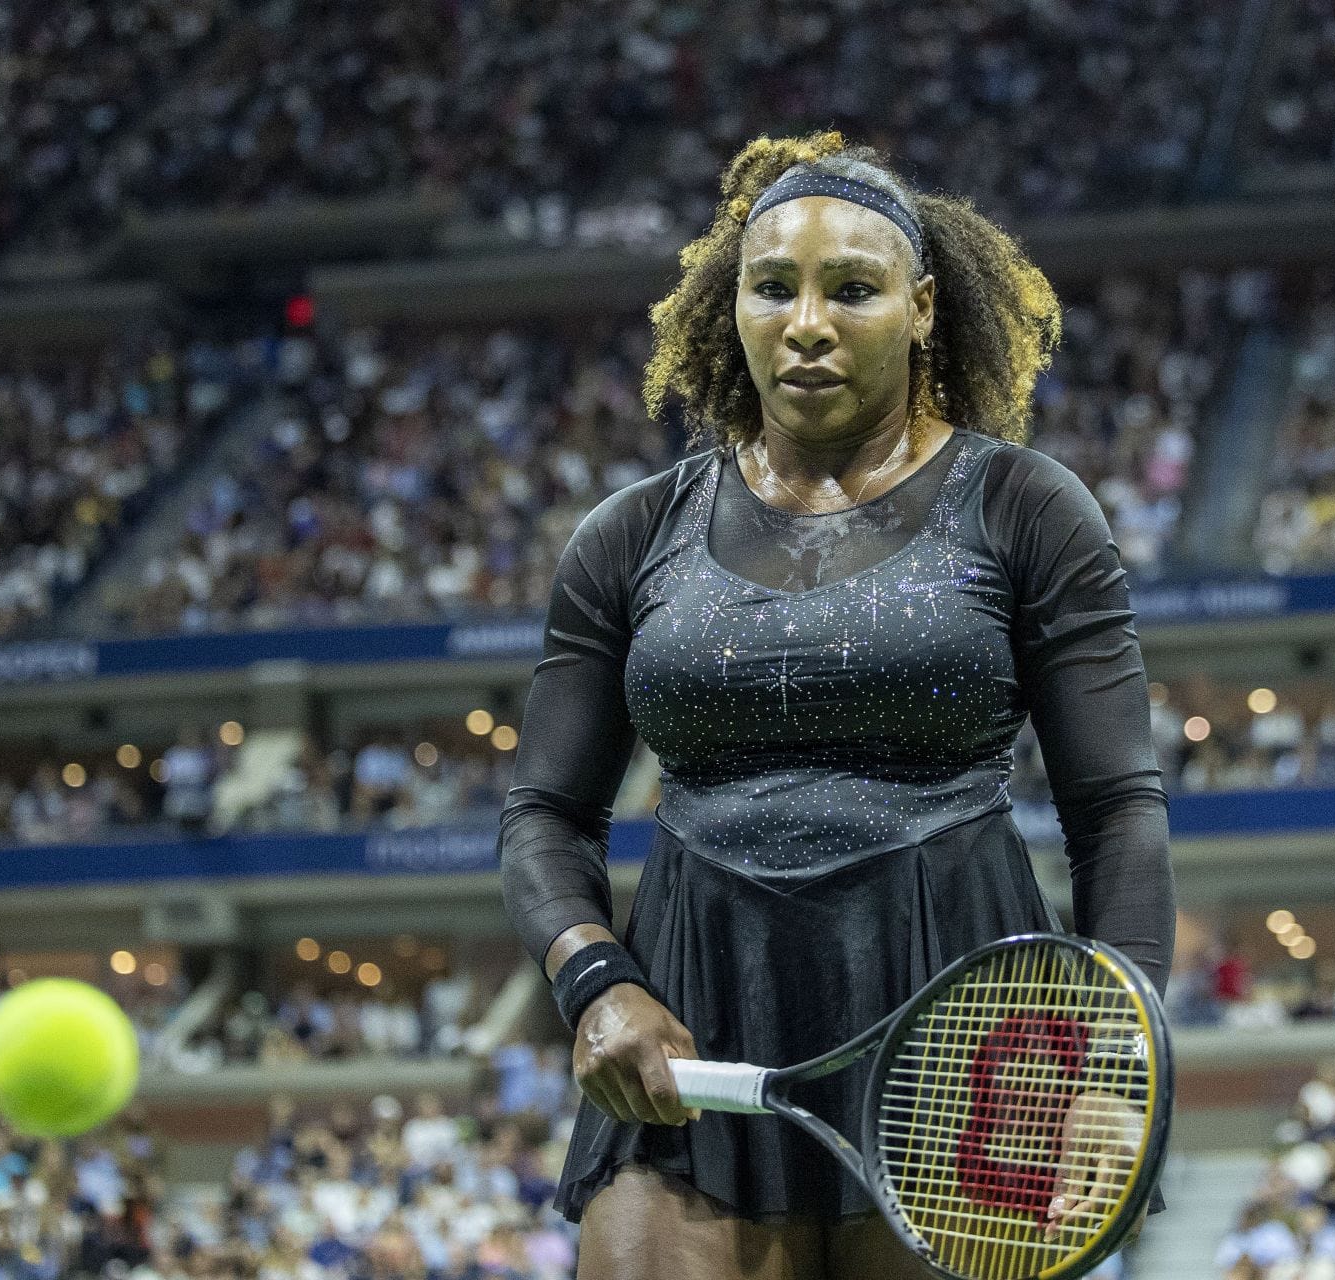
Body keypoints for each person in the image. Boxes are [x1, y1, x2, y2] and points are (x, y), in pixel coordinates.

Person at [499, 132, 1174, 1279]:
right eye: (774, 287)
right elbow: (543, 816)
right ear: (735, 308)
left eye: (852, 289)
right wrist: (595, 980)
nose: (806, 321)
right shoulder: (630, 534)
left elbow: (1114, 810)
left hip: (959, 1031)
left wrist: (1118, 1071)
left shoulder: (1026, 507)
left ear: (921, 309)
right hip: (694, 1022)